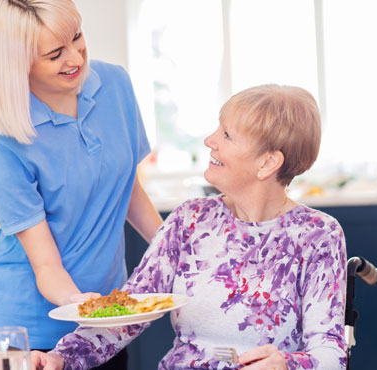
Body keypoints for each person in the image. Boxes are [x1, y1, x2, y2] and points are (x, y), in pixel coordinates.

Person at [32, 84, 347, 370]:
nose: (210, 141)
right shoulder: (190, 219)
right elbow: (128, 313)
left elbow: (330, 352)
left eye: (226, 135)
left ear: (266, 164)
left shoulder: (317, 234)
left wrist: (287, 365)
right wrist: (61, 358)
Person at [0, 0, 163, 368]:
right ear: (19, 63)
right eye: (55, 54)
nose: (76, 57)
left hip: (104, 320)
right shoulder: (3, 143)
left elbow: (129, 192)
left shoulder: (115, 86)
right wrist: (84, 305)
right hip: (27, 329)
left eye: (77, 37)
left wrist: (177, 250)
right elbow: (46, 265)